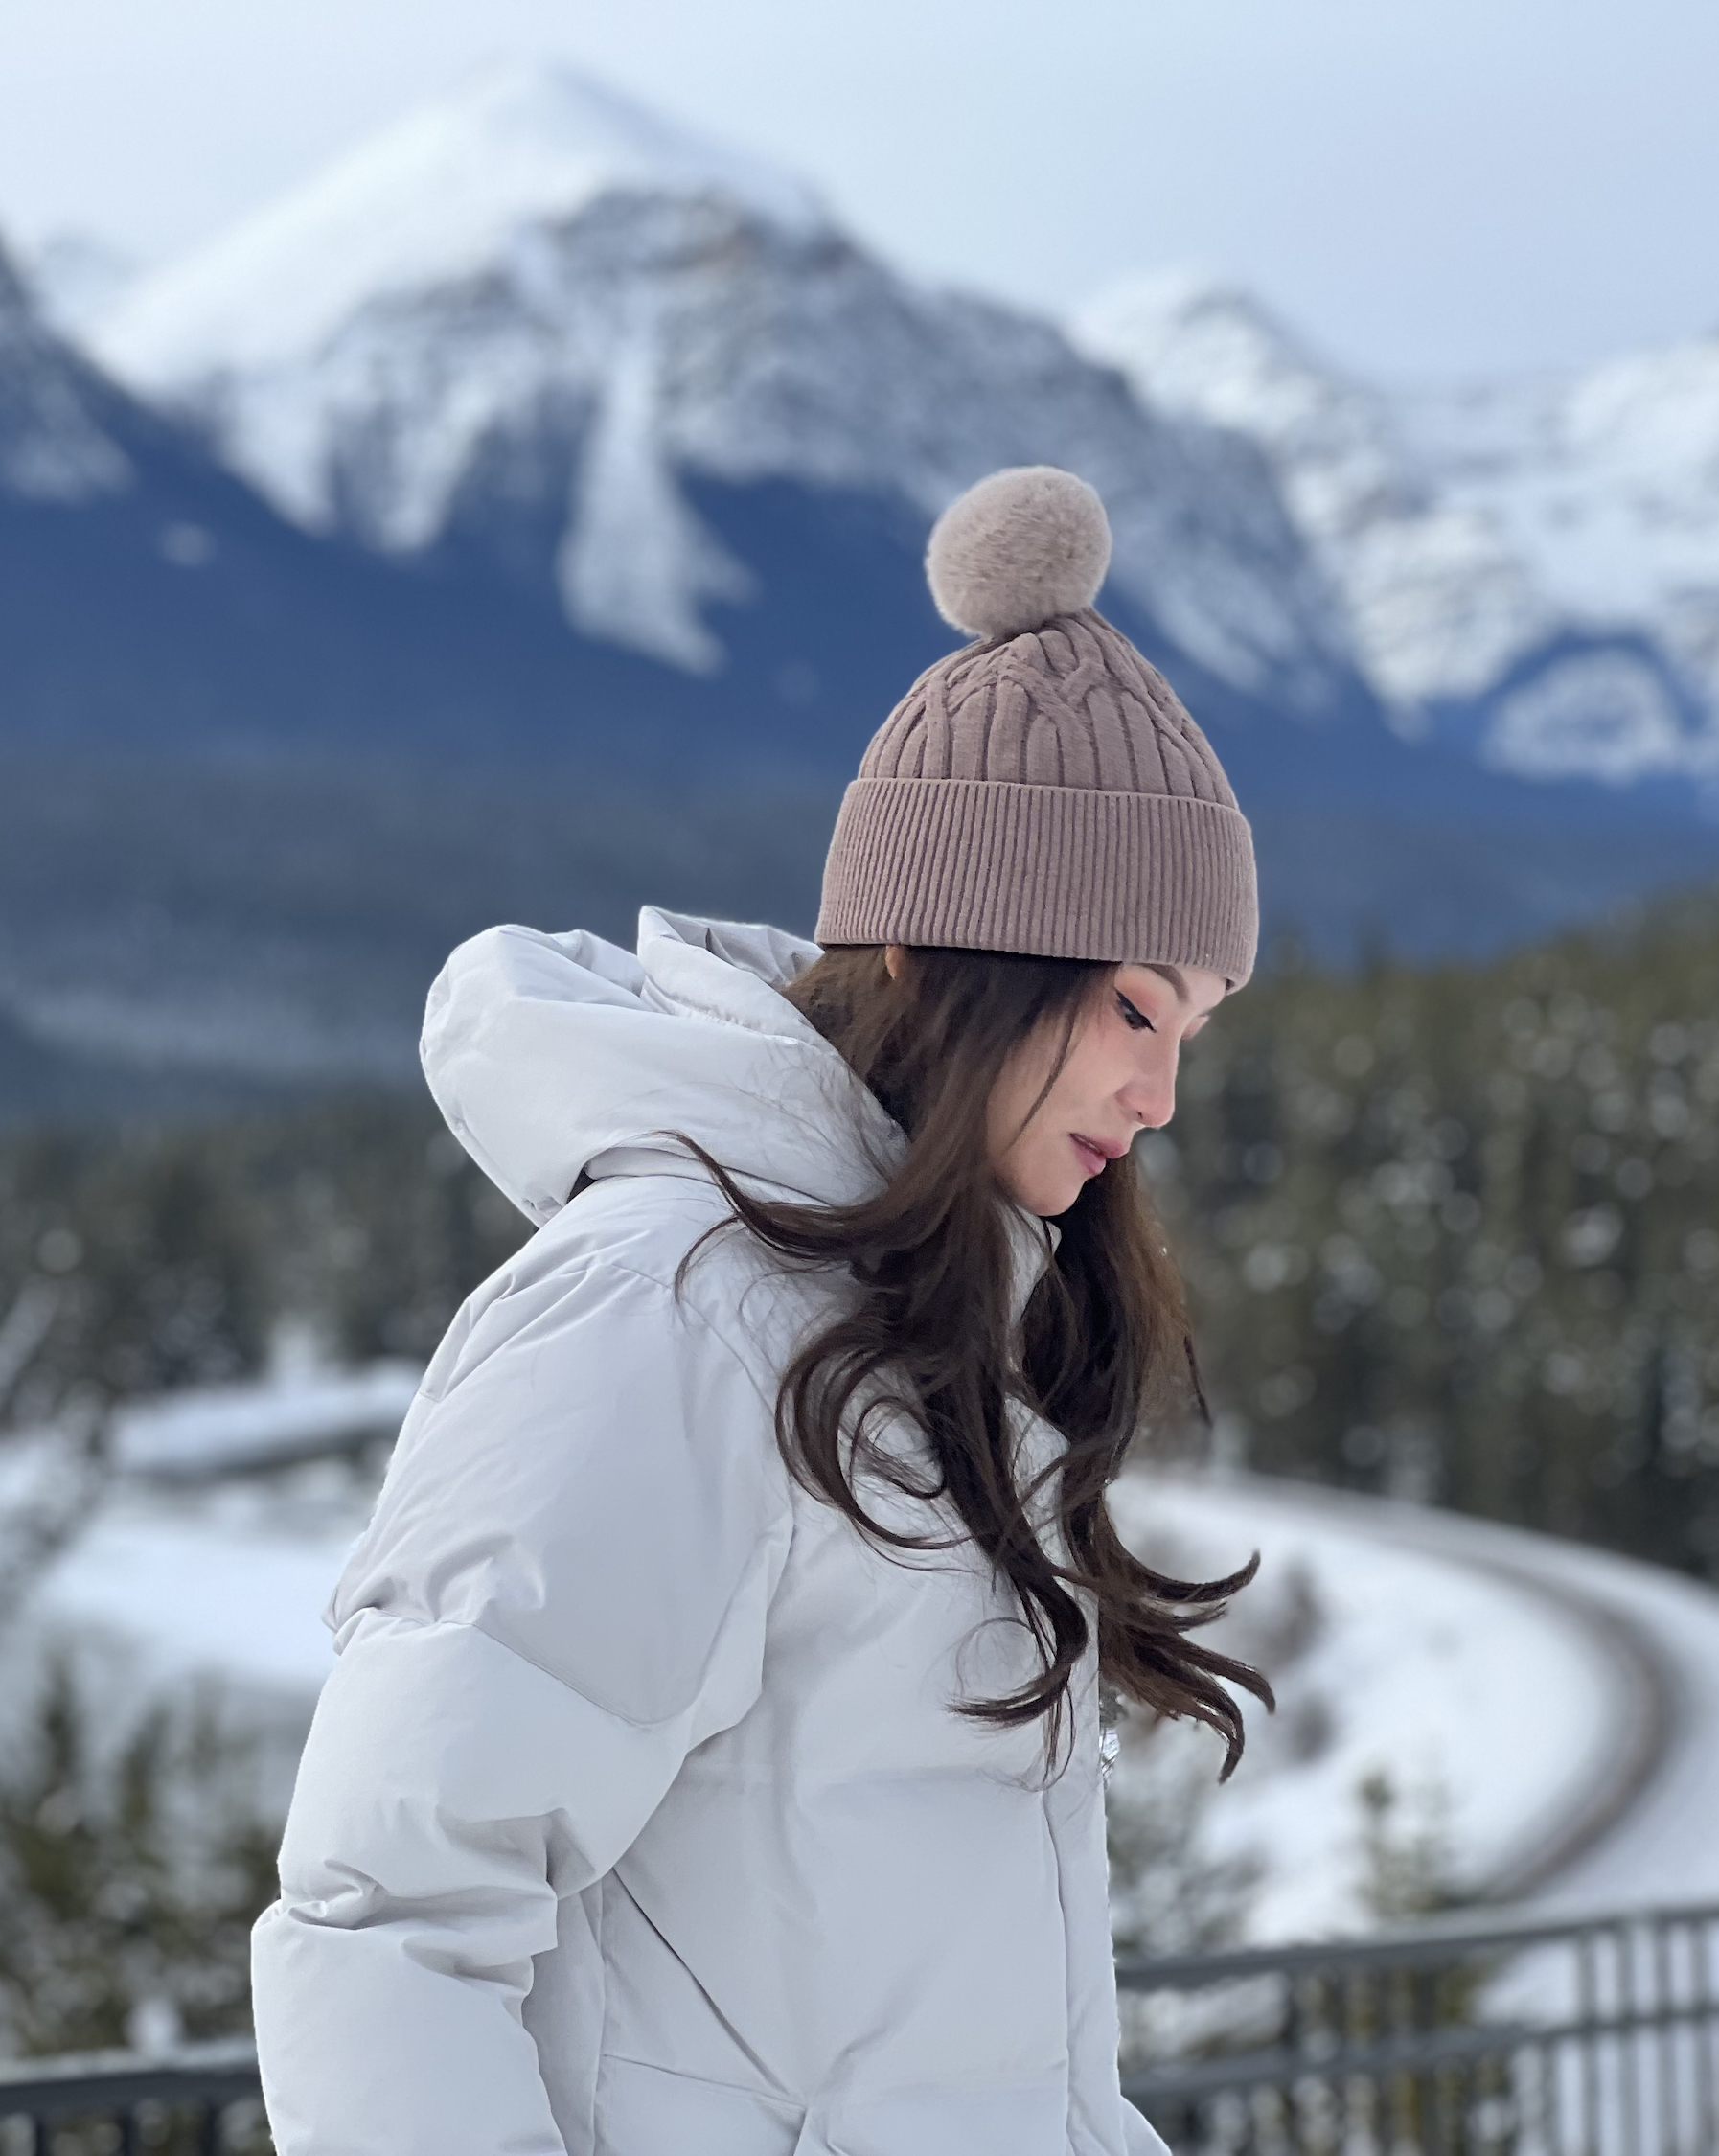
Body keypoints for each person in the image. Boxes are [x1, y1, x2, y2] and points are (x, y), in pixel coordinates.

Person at [252, 467, 1272, 2155]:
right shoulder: (667, 1312)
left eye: (1194, 1034)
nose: (1160, 1096)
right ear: (955, 957)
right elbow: (391, 1926)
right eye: (1133, 1009)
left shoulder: (940, 1334)